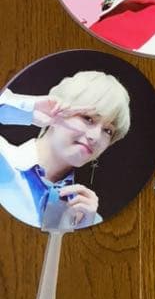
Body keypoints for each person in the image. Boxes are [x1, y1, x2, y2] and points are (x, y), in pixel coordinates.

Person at [0, 71, 131, 229]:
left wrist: (83, 232)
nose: (95, 137)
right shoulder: (3, 156)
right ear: (55, 109)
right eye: (88, 118)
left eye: (108, 131)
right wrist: (29, 109)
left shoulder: (86, 217)